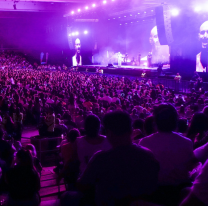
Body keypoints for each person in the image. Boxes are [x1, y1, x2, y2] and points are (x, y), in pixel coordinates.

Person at [61, 111, 159, 206]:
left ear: (108, 133)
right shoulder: (148, 155)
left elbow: (83, 185)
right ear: (131, 131)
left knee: (67, 197)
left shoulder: (100, 158)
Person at [140, 104, 197, 205]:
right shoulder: (187, 142)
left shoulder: (144, 142)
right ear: (175, 121)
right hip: (180, 191)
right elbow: (189, 167)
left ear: (156, 122)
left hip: (154, 192)